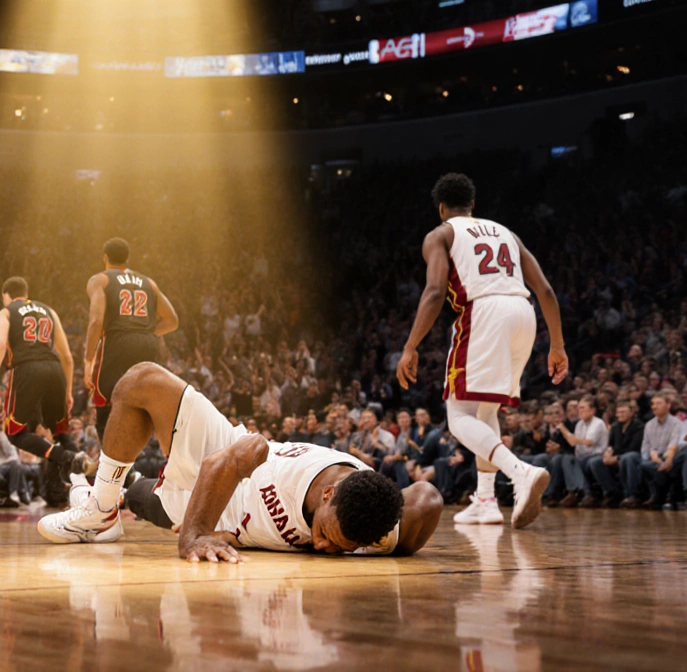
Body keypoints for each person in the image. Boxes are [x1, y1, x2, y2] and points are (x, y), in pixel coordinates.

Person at [38, 363, 443, 561]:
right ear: (328, 493)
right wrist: (195, 535)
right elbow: (227, 461)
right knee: (141, 380)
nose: (323, 546)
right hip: (223, 471)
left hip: (228, 521)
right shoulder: (279, 468)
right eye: (326, 533)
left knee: (143, 499)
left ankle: (113, 495)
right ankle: (100, 507)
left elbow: (427, 498)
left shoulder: (375, 524)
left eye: (341, 548)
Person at [397, 173, 567, 528]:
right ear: (472, 205)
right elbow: (546, 290)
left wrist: (410, 346)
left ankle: (520, 473)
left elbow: (434, 292)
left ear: (440, 208)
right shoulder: (508, 233)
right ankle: (486, 501)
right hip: (524, 313)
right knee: (485, 412)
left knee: (458, 416)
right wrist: (557, 345)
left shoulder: (440, 234)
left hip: (485, 313)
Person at [0, 276, 78, 506]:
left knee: (15, 432)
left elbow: (0, 345)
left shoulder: (5, 313)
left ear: (6, 295)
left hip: (26, 370)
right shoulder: (49, 311)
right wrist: (68, 391)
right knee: (61, 433)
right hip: (54, 369)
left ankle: (65, 457)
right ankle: (89, 481)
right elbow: (67, 357)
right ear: (26, 292)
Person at [83, 238, 178, 439]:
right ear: (127, 258)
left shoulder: (100, 280)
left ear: (105, 258)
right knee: (141, 401)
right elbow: (172, 321)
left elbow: (96, 322)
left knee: (106, 401)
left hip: (118, 341)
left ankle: (109, 454)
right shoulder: (149, 283)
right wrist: (147, 333)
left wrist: (88, 359)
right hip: (148, 342)